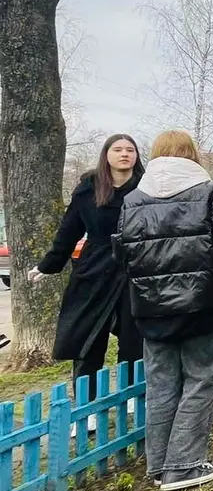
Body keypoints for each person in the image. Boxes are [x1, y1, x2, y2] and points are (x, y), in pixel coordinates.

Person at [115, 130, 213, 491]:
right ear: (191, 154)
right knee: (200, 380)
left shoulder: (133, 199)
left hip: (151, 310)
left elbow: (122, 254)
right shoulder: (209, 191)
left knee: (161, 385)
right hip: (201, 304)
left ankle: (159, 465)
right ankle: (183, 466)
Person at [29, 134, 145, 432]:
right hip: (95, 270)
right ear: (106, 155)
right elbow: (69, 230)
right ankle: (87, 407)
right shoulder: (88, 189)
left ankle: (131, 394)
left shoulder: (146, 186)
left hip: (135, 268)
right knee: (88, 340)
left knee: (136, 335)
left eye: (130, 150)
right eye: (117, 149)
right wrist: (48, 265)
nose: (124, 154)